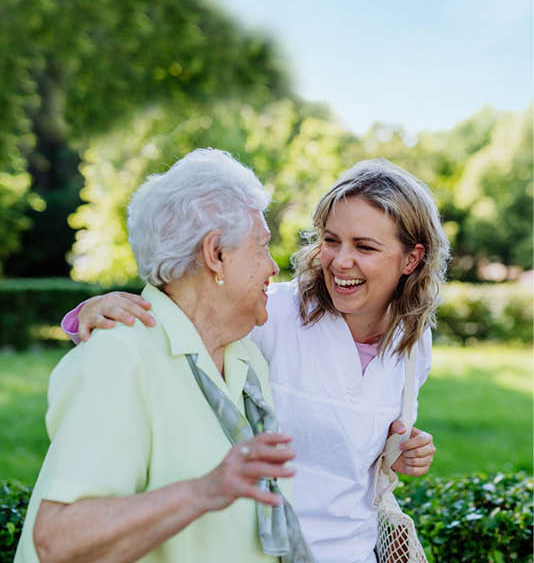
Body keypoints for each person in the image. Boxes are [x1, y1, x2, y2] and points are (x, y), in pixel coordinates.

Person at [63, 158, 449, 563]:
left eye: (365, 247)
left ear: (411, 259)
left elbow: (358, 443)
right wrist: (93, 313)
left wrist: (400, 449)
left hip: (355, 551)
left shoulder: (412, 343)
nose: (339, 261)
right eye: (331, 240)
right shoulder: (272, 313)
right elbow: (176, 328)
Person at [15, 148, 316, 563]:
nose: (272, 268)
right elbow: (60, 539)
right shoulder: (120, 355)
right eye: (262, 246)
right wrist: (206, 490)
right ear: (216, 255)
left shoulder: (246, 360)